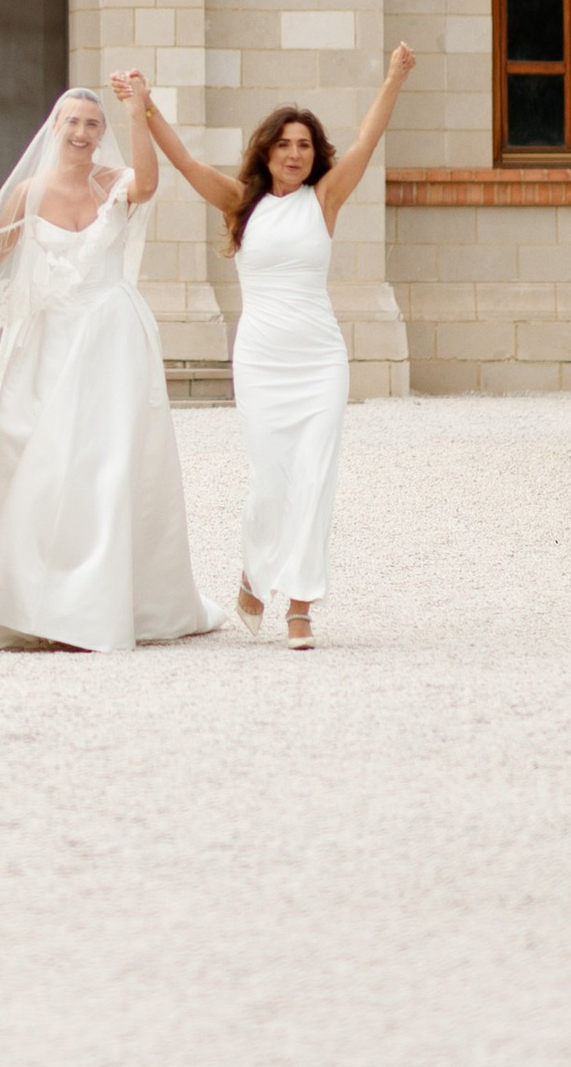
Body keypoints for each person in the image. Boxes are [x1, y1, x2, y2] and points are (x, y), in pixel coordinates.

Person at [138, 46, 415, 649]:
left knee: (315, 478)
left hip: (319, 360)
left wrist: (393, 76)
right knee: (271, 481)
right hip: (262, 360)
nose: (295, 154)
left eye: (305, 146)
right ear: (267, 151)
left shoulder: (325, 200)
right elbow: (183, 163)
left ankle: (300, 606)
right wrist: (147, 106)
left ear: (316, 156)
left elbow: (367, 141)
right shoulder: (244, 203)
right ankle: (251, 572)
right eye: (285, 144)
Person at [0, 73, 220, 654]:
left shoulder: (117, 182)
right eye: (72, 121)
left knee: (104, 462)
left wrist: (139, 109)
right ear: (55, 127)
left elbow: (149, 181)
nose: (82, 132)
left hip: (108, 337)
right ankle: (16, 600)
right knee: (25, 456)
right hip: (42, 339)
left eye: (93, 124)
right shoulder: (26, 193)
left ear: (102, 135)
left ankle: (96, 602)